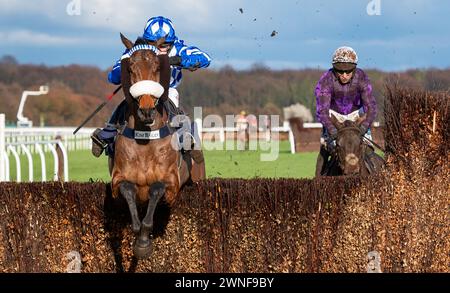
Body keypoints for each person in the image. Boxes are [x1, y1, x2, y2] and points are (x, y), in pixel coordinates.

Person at [91, 16, 211, 157]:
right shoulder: (136, 50)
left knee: (172, 98)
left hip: (167, 89)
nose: (157, 48)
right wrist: (126, 67)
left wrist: (180, 60)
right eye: (152, 43)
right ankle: (107, 133)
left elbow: (205, 58)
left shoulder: (178, 49)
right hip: (141, 88)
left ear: (171, 43)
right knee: (126, 101)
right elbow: (113, 76)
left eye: (163, 45)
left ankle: (184, 134)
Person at [314, 46, 377, 176]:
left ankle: (382, 181)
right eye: (340, 72)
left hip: (356, 116)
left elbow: (371, 107)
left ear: (354, 69)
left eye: (348, 72)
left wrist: (364, 127)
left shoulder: (362, 77)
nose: (344, 75)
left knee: (368, 151)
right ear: (334, 68)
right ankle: (316, 185)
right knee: (325, 151)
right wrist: (333, 130)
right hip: (334, 116)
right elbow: (322, 111)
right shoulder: (326, 80)